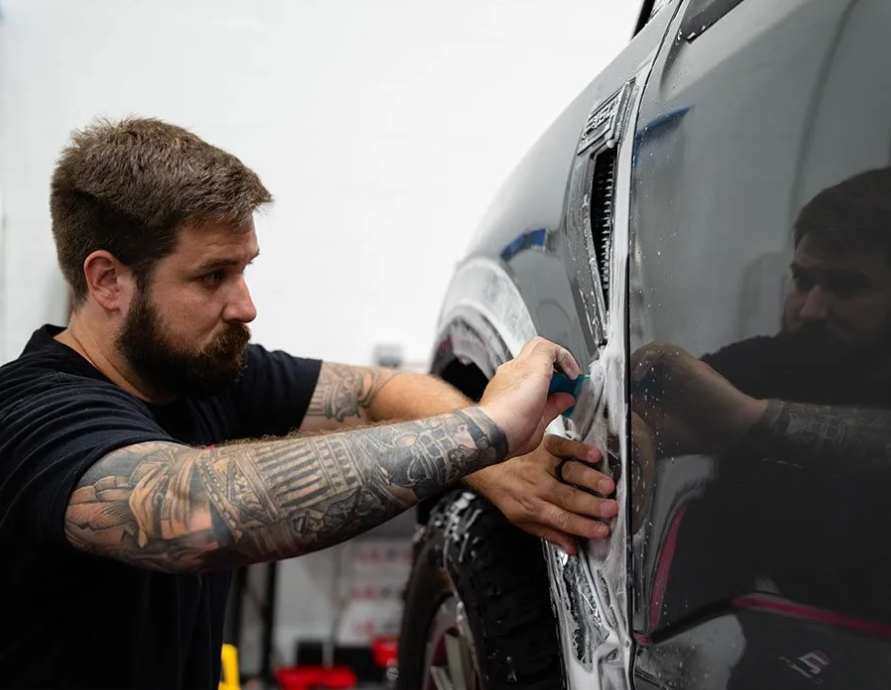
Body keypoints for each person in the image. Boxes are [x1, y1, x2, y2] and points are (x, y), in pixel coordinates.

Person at [0, 118, 618, 690]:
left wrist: (493, 461)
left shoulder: (199, 374)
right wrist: (484, 430)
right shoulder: (31, 413)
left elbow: (378, 393)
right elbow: (191, 511)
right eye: (213, 276)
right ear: (107, 280)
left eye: (245, 269)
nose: (245, 305)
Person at [630, 166, 891, 631]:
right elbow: (652, 408)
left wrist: (747, 422)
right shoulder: (775, 361)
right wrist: (631, 426)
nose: (810, 309)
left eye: (846, 287)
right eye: (801, 280)